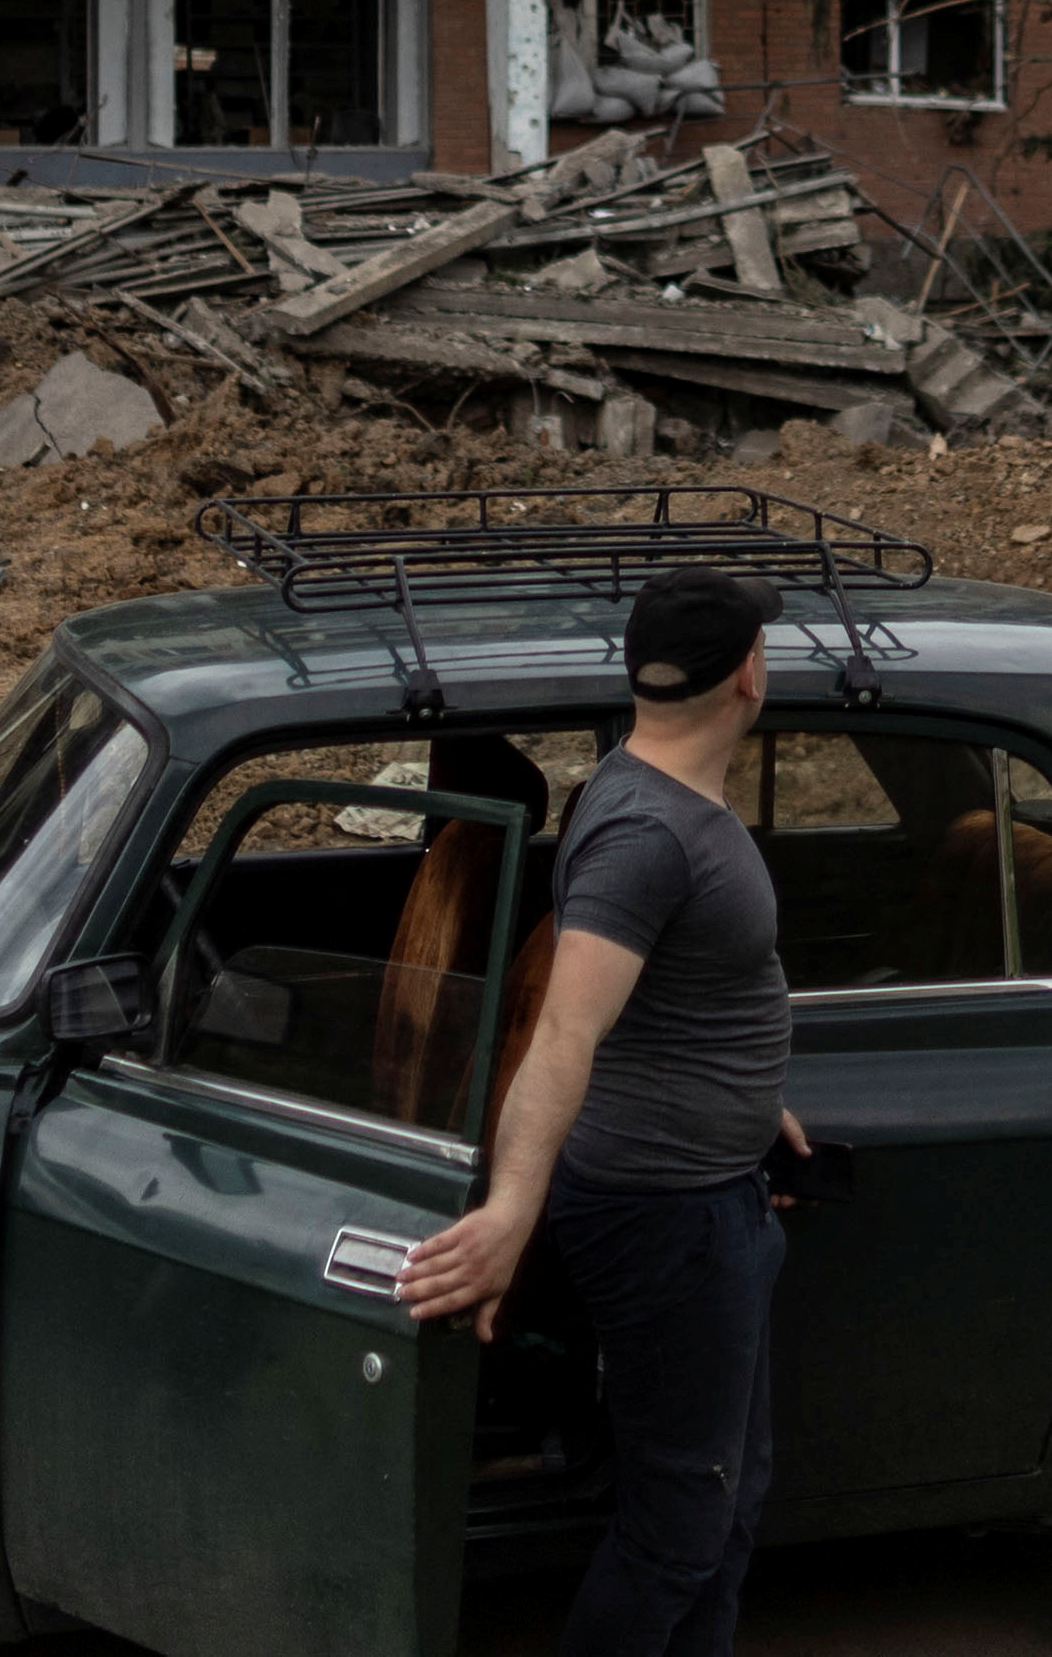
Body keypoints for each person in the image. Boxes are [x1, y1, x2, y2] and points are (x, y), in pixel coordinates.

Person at [401, 566, 810, 1657]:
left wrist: (749, 1098)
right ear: (749, 677)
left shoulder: (642, 793)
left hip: (712, 1185)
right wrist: (506, 1213)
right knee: (678, 1526)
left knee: (727, 1498)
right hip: (666, 1216)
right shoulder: (648, 837)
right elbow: (563, 1038)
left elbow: (667, 1000)